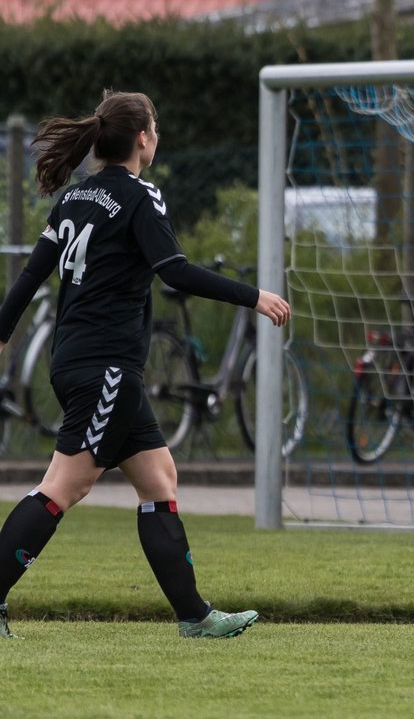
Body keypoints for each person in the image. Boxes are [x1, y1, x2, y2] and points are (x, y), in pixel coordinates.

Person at [0, 90, 291, 640]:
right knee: (65, 486)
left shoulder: (74, 198)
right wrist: (254, 296)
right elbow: (175, 271)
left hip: (76, 360)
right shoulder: (139, 196)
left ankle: (195, 617)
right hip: (106, 365)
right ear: (142, 138)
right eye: (155, 127)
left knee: (159, 479)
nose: (157, 136)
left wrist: (1, 332)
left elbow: (29, 278)